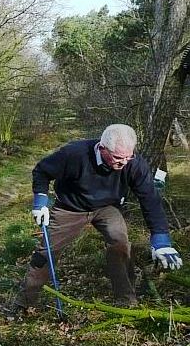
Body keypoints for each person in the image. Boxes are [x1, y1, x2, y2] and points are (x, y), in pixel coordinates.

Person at [12, 123, 183, 312]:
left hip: (108, 207)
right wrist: (40, 202)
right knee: (46, 253)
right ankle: (24, 303)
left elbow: (150, 199)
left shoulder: (134, 164)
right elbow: (42, 171)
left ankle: (126, 301)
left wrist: (161, 240)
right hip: (70, 207)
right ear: (102, 149)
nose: (124, 163)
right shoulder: (74, 154)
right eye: (118, 158)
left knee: (120, 243)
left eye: (128, 157)